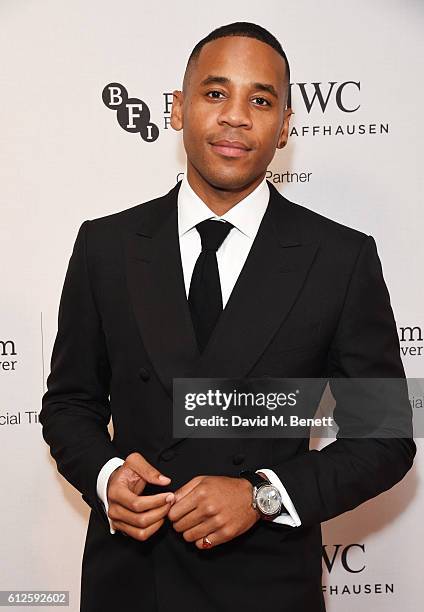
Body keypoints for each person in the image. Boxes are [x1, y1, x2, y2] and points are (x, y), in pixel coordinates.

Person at [39, 21, 416, 612]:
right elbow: (68, 405)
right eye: (216, 94)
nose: (236, 116)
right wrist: (108, 475)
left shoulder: (340, 258)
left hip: (266, 587)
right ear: (178, 109)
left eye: (260, 100)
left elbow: (387, 437)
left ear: (285, 125)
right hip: (134, 583)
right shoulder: (105, 246)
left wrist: (262, 495)